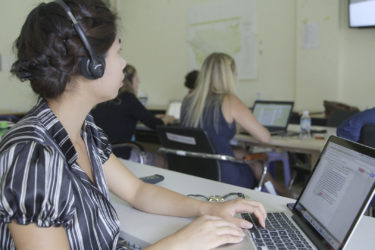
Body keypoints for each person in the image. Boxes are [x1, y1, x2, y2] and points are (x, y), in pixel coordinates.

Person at [0, 1, 267, 249]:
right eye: (118, 51)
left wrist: (207, 209)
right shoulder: (30, 155)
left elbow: (138, 191)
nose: (124, 63)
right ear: (91, 65)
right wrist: (182, 242)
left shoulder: (85, 131)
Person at [181, 53, 292, 197]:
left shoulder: (188, 100)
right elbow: (265, 137)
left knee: (243, 152)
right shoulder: (229, 100)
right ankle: (284, 193)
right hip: (225, 176)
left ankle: (283, 192)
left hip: (193, 171)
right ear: (230, 75)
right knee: (254, 160)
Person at [91, 64, 175, 166]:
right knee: (163, 160)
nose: (139, 81)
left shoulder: (107, 98)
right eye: (137, 78)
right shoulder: (128, 97)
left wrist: (139, 119)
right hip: (120, 154)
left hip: (99, 155)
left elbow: (118, 118)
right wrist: (166, 119)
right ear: (130, 80)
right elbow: (154, 124)